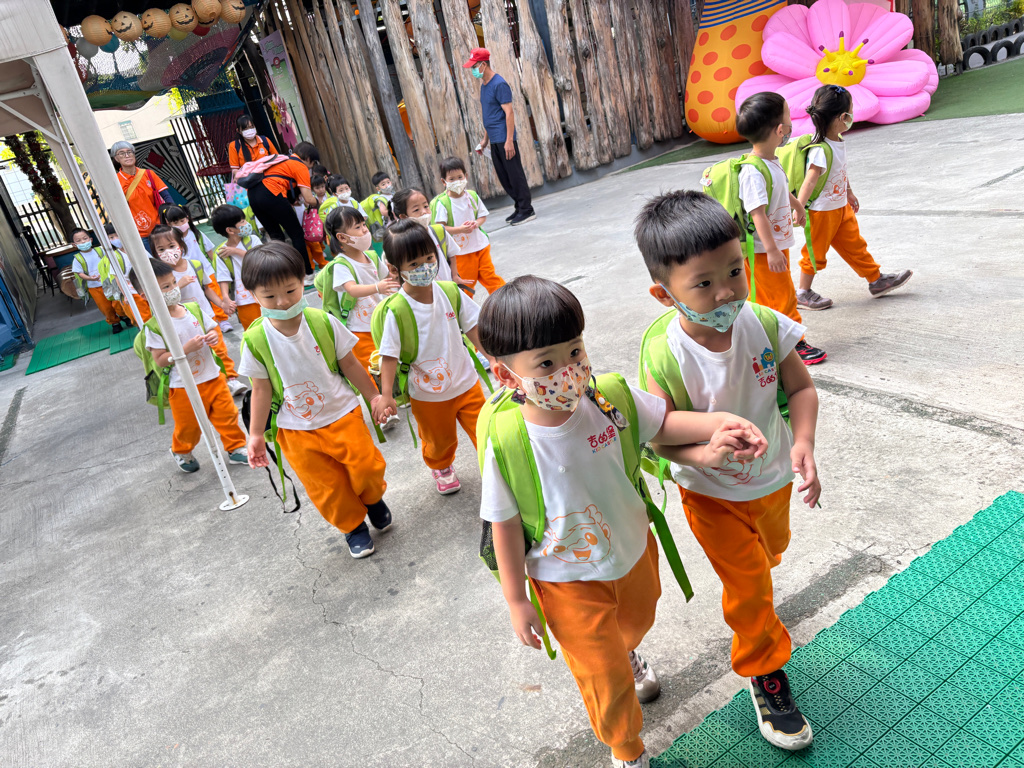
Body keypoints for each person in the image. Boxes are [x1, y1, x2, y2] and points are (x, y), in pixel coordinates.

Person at [478, 276, 767, 768]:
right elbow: (503, 524)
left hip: (632, 551)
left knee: (636, 621)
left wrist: (718, 423)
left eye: (574, 351)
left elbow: (663, 424)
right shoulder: (508, 442)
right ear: (506, 375)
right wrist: (516, 598)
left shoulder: (607, 397)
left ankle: (624, 650)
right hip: (566, 578)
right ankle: (626, 749)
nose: (568, 371)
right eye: (546, 363)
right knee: (602, 674)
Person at [634, 190, 822, 753]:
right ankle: (764, 671)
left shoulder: (762, 323)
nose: (726, 292)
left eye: (735, 271)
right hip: (711, 495)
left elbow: (801, 388)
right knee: (749, 587)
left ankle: (760, 614)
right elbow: (659, 433)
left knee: (770, 555)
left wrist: (804, 443)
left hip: (774, 481)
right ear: (664, 293)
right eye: (704, 283)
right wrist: (703, 453)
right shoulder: (664, 352)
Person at [239, 241, 396, 559]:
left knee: (366, 466)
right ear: (253, 295)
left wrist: (374, 396)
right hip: (295, 428)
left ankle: (371, 498)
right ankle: (353, 527)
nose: (283, 302)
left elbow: (349, 363)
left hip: (341, 412)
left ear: (303, 282)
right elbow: (260, 389)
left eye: (290, 291)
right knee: (326, 486)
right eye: (270, 296)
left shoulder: (321, 321)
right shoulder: (255, 340)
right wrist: (255, 434)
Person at [375, 221, 486, 495]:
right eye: (414, 264)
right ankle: (441, 466)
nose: (425, 267)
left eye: (428, 258)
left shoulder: (450, 291)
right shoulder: (397, 310)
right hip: (428, 395)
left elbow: (473, 326)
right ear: (394, 269)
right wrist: (386, 395)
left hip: (466, 382)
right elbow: (388, 356)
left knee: (486, 430)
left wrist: (492, 358)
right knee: (439, 442)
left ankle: (496, 466)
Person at [794, 85, 913, 311]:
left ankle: (876, 280)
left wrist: (848, 191)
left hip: (840, 207)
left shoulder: (837, 140)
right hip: (821, 212)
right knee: (814, 252)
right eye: (851, 111)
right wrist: (799, 207)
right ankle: (802, 293)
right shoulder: (820, 149)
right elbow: (810, 181)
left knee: (855, 245)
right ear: (842, 117)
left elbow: (839, 170)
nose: (852, 116)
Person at [735, 93, 826, 366]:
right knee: (783, 297)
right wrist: (772, 250)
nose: (790, 124)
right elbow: (757, 213)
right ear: (779, 130)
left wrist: (798, 206)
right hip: (764, 250)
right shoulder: (752, 172)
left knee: (769, 297)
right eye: (788, 117)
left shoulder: (771, 161)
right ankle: (794, 345)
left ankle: (766, 340)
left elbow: (781, 188)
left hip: (774, 246)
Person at [134, 257, 248, 473]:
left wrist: (213, 336)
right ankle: (181, 450)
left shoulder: (193, 308)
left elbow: (211, 329)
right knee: (189, 426)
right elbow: (160, 359)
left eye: (173, 283)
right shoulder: (154, 326)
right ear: (144, 295)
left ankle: (236, 447)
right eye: (165, 287)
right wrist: (184, 350)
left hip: (212, 376)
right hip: (182, 386)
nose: (173, 289)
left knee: (227, 414)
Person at [149, 226, 248, 397]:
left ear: (181, 245)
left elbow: (206, 289)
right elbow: (160, 299)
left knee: (219, 348)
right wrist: (178, 285)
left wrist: (221, 304)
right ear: (155, 253)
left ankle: (231, 379)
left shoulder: (195, 265)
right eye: (161, 249)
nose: (168, 252)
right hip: (183, 322)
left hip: (206, 316)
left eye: (171, 246)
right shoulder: (161, 276)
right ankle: (208, 383)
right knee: (196, 354)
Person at [463, 48, 536, 226]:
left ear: (483, 64)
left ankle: (527, 209)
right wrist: (485, 139)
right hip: (494, 139)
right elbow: (490, 115)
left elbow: (508, 113)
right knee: (504, 176)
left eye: (474, 66)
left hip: (504, 138)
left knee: (515, 174)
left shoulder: (499, 84)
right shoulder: (484, 85)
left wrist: (509, 140)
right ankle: (519, 206)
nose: (473, 70)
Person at [323, 206, 397, 374]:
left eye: (364, 224)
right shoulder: (342, 264)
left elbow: (389, 278)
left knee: (390, 362)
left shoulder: (371, 256)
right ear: (342, 237)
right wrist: (377, 287)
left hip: (381, 319)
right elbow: (352, 289)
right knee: (372, 367)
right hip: (360, 329)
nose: (364, 230)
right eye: (357, 227)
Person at [246, 140, 320, 283]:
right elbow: (308, 198)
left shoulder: (282, 160)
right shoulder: (299, 165)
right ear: (308, 158)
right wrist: (319, 204)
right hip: (271, 194)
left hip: (253, 197)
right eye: (313, 163)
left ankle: (283, 276)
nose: (312, 167)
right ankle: (307, 274)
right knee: (296, 234)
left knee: (276, 238)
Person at [432, 156, 505, 295]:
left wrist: (477, 223)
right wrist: (460, 229)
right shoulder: (443, 203)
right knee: (466, 283)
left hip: (480, 245)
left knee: (490, 276)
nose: (457, 181)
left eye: (460, 177)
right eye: (452, 179)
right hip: (461, 252)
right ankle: (466, 307)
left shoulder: (472, 196)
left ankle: (504, 299)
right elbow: (440, 228)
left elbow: (482, 216)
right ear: (444, 181)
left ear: (466, 176)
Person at [160, 204, 233, 334]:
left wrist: (216, 267)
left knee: (215, 293)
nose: (180, 224)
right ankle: (202, 321)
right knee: (196, 297)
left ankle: (222, 319)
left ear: (187, 218)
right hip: (186, 273)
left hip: (205, 270)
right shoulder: (171, 240)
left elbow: (209, 251)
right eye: (175, 222)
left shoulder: (196, 233)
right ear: (168, 223)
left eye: (182, 220)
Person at [389, 188, 464, 285]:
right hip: (423, 291)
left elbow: (451, 254)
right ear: (403, 217)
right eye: (416, 210)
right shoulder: (402, 242)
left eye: (426, 206)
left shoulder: (439, 231)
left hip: (447, 285)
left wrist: (455, 276)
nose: (424, 211)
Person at [110, 140, 174, 250]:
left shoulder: (148, 174)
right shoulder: (115, 181)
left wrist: (174, 215)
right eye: (121, 153)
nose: (127, 155)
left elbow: (166, 197)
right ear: (116, 158)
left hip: (161, 228)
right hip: (138, 234)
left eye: (129, 152)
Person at [211, 204, 263, 330]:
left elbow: (262, 259)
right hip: (244, 300)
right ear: (230, 230)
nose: (246, 223)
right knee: (253, 330)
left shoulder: (253, 240)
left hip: (265, 291)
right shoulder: (221, 253)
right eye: (242, 222)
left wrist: (236, 251)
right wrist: (226, 298)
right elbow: (223, 278)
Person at [70, 227, 129, 333]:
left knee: (117, 301)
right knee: (105, 307)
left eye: (85, 238)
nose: (83, 242)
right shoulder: (77, 259)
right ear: (74, 244)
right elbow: (79, 273)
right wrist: (89, 278)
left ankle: (124, 316)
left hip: (110, 283)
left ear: (91, 239)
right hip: (94, 287)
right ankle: (114, 322)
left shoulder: (101, 250)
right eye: (78, 241)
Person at [102, 222, 149, 325]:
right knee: (144, 318)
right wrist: (125, 294)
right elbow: (117, 278)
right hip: (133, 291)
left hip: (148, 287)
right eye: (111, 237)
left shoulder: (138, 249)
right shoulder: (115, 257)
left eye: (117, 235)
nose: (115, 239)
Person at [227, 114, 278, 179]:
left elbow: (277, 159)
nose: (250, 130)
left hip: (270, 178)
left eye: (251, 127)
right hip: (249, 181)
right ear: (238, 131)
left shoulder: (265, 140)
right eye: (245, 129)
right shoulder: (234, 146)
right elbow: (235, 170)